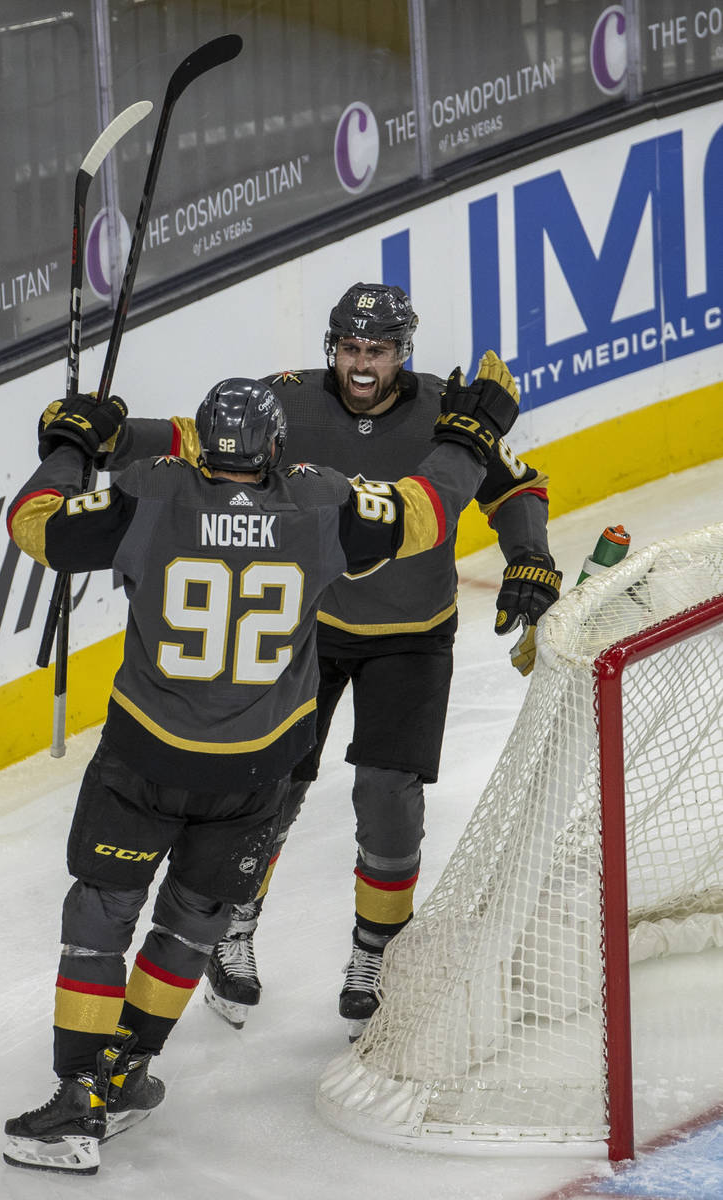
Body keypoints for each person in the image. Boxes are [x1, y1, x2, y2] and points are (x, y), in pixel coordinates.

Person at [2, 358, 520, 1174]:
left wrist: (72, 446)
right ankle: (129, 1073)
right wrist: (469, 436)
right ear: (275, 449)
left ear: (205, 447)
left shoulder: (154, 493)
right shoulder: (318, 503)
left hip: (146, 752)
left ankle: (78, 1096)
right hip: (254, 768)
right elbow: (424, 513)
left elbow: (35, 525)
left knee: (105, 910)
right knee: (193, 916)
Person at [98, 285, 561, 1040]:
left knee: (389, 798)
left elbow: (517, 486)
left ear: (402, 351)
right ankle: (237, 923)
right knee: (270, 791)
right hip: (307, 634)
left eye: (376, 351)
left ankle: (376, 955)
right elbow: (192, 439)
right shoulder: (291, 407)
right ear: (332, 347)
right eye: (349, 349)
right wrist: (110, 434)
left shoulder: (449, 414)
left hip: (414, 635)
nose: (361, 366)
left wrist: (530, 556)